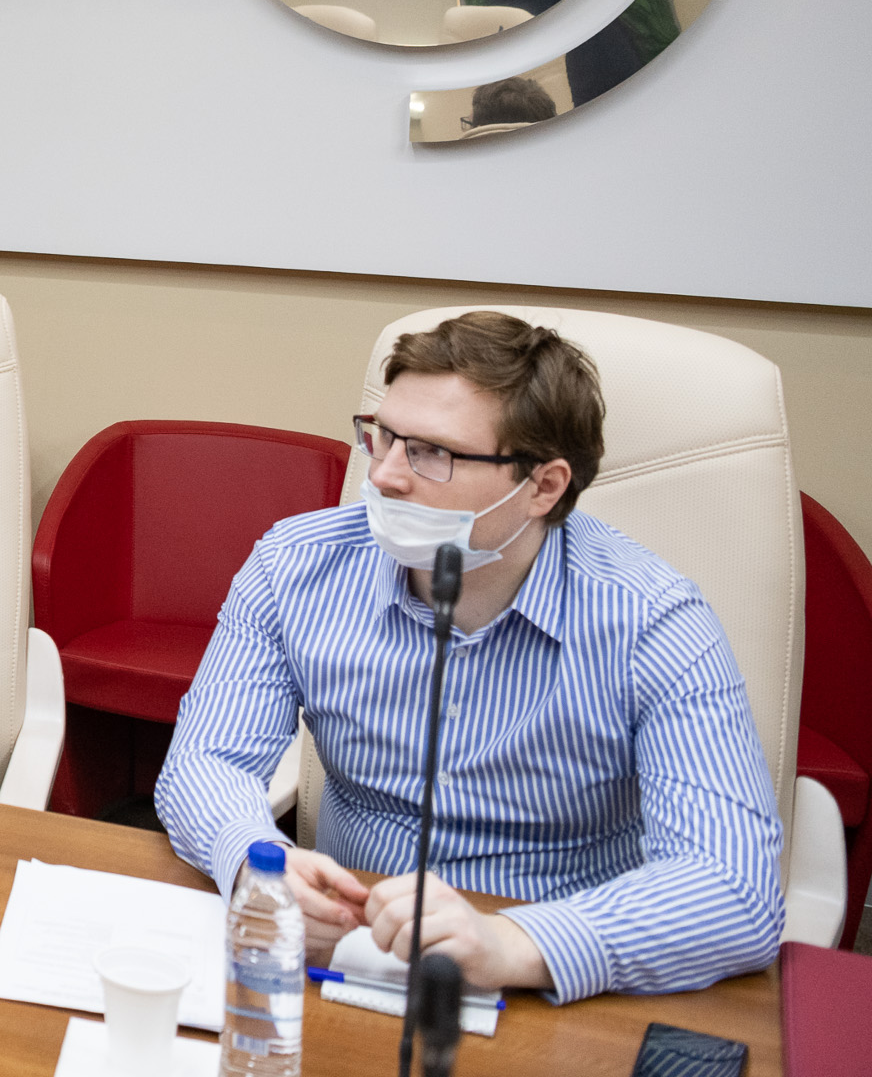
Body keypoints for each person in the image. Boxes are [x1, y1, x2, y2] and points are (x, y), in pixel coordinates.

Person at [154, 311, 781, 998]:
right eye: (383, 436)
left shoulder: (653, 620)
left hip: (548, 985)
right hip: (345, 947)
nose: (384, 475)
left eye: (432, 453)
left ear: (543, 486)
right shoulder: (295, 565)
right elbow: (205, 762)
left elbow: (734, 888)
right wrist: (256, 861)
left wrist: (514, 943)